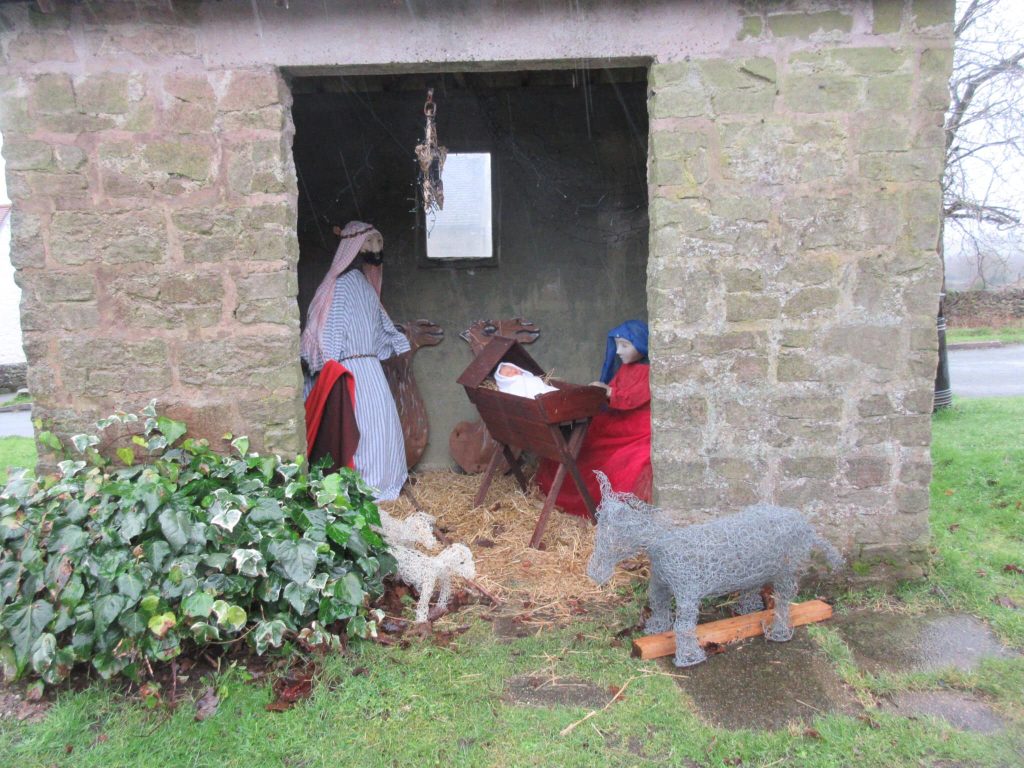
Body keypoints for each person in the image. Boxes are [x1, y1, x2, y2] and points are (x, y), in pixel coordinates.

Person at [300, 222, 410, 501]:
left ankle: (365, 487)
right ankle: (385, 483)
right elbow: (386, 335)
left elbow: (328, 338)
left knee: (361, 432)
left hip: (348, 372)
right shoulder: (367, 289)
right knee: (378, 431)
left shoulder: (336, 288)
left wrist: (319, 366)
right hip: (372, 372)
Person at [535, 320, 652, 517]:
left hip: (635, 427)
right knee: (581, 446)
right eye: (616, 345)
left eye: (625, 345)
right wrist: (600, 390)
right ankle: (555, 492)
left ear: (640, 344)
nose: (618, 352)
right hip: (617, 420)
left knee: (613, 461)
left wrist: (608, 392)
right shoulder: (626, 368)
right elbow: (615, 393)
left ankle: (591, 505)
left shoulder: (649, 371)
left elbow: (632, 398)